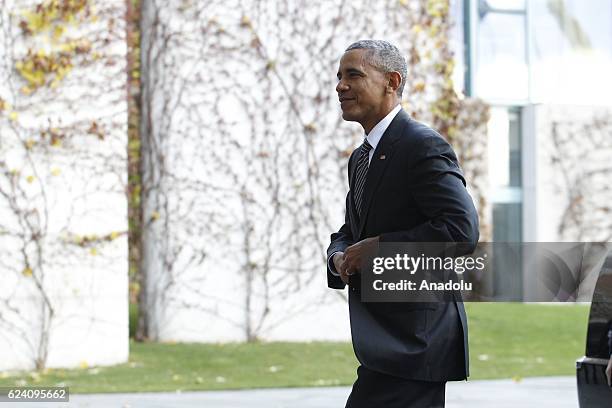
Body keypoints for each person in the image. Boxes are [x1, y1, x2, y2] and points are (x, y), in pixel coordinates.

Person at [327, 40, 479, 408]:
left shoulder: (421, 145)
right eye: (338, 76)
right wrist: (338, 257)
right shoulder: (361, 157)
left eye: (353, 75)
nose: (340, 86)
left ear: (391, 82)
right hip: (384, 345)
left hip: (415, 345)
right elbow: (351, 232)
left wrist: (377, 248)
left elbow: (460, 231)